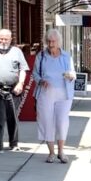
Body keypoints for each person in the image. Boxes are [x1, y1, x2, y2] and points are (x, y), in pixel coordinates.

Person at [0, 29, 28, 154]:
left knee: (13, 117)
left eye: (6, 39)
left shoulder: (17, 52)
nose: (3, 41)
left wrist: (21, 83)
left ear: (11, 39)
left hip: (13, 89)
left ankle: (14, 143)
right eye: (1, 39)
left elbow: (23, 69)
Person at [34, 29, 76, 164]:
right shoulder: (41, 56)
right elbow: (35, 74)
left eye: (53, 41)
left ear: (59, 42)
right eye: (49, 41)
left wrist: (71, 76)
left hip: (64, 93)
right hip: (46, 93)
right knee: (47, 121)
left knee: (62, 122)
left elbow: (73, 73)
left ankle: (61, 151)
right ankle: (51, 153)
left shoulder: (66, 56)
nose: (51, 44)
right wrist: (41, 80)